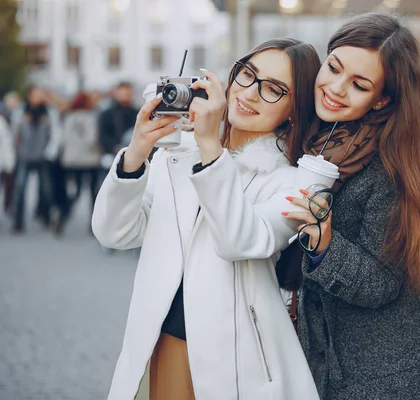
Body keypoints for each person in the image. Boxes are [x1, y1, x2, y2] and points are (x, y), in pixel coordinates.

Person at [91, 39, 321, 400]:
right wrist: (137, 152)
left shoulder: (291, 182)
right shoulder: (178, 155)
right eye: (248, 75)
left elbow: (239, 241)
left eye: (274, 89)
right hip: (161, 338)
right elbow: (114, 233)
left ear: (295, 108)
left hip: (236, 359)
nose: (251, 93)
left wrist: (211, 148)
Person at [282, 13, 420, 399]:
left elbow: (382, 283)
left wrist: (325, 244)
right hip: (326, 363)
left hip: (388, 376)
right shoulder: (313, 135)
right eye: (334, 68)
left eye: (358, 84)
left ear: (381, 99)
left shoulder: (394, 167)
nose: (335, 88)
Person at [11, 85, 62, 234]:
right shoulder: (21, 111)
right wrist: (15, 152)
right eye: (36, 94)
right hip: (24, 155)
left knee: (45, 189)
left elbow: (55, 133)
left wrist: (50, 152)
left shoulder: (49, 112)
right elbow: (15, 133)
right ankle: (18, 222)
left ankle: (45, 216)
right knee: (20, 189)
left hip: (42, 156)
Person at [58, 91, 102, 234]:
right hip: (90, 160)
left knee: (75, 192)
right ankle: (93, 225)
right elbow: (91, 139)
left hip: (72, 159)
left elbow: (64, 138)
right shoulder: (91, 117)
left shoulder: (69, 117)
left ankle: (63, 217)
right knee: (92, 192)